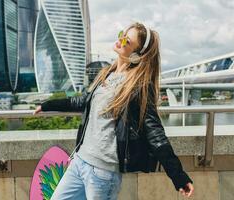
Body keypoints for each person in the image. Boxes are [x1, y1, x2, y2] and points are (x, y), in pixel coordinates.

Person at [34, 22, 194, 200]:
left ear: (136, 55)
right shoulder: (107, 74)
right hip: (79, 161)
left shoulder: (138, 86)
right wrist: (47, 105)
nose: (121, 40)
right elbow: (83, 101)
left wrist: (178, 176)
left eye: (127, 40)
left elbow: (155, 133)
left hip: (102, 173)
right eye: (122, 34)